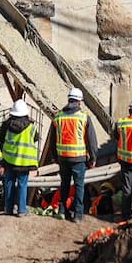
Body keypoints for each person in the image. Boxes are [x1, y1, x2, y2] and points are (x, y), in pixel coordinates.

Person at [52, 86, 98, 223]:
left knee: (64, 184)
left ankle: (62, 211)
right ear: (79, 102)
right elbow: (92, 141)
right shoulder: (84, 118)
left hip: (62, 158)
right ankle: (78, 215)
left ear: (69, 100)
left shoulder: (58, 117)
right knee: (79, 186)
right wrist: (93, 158)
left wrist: (55, 158)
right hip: (78, 158)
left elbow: (52, 141)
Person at [0, 97, 39, 217]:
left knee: (9, 183)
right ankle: (21, 210)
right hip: (25, 162)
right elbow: (35, 139)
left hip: (9, 160)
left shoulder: (6, 125)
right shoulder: (31, 127)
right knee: (22, 184)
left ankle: (8, 209)